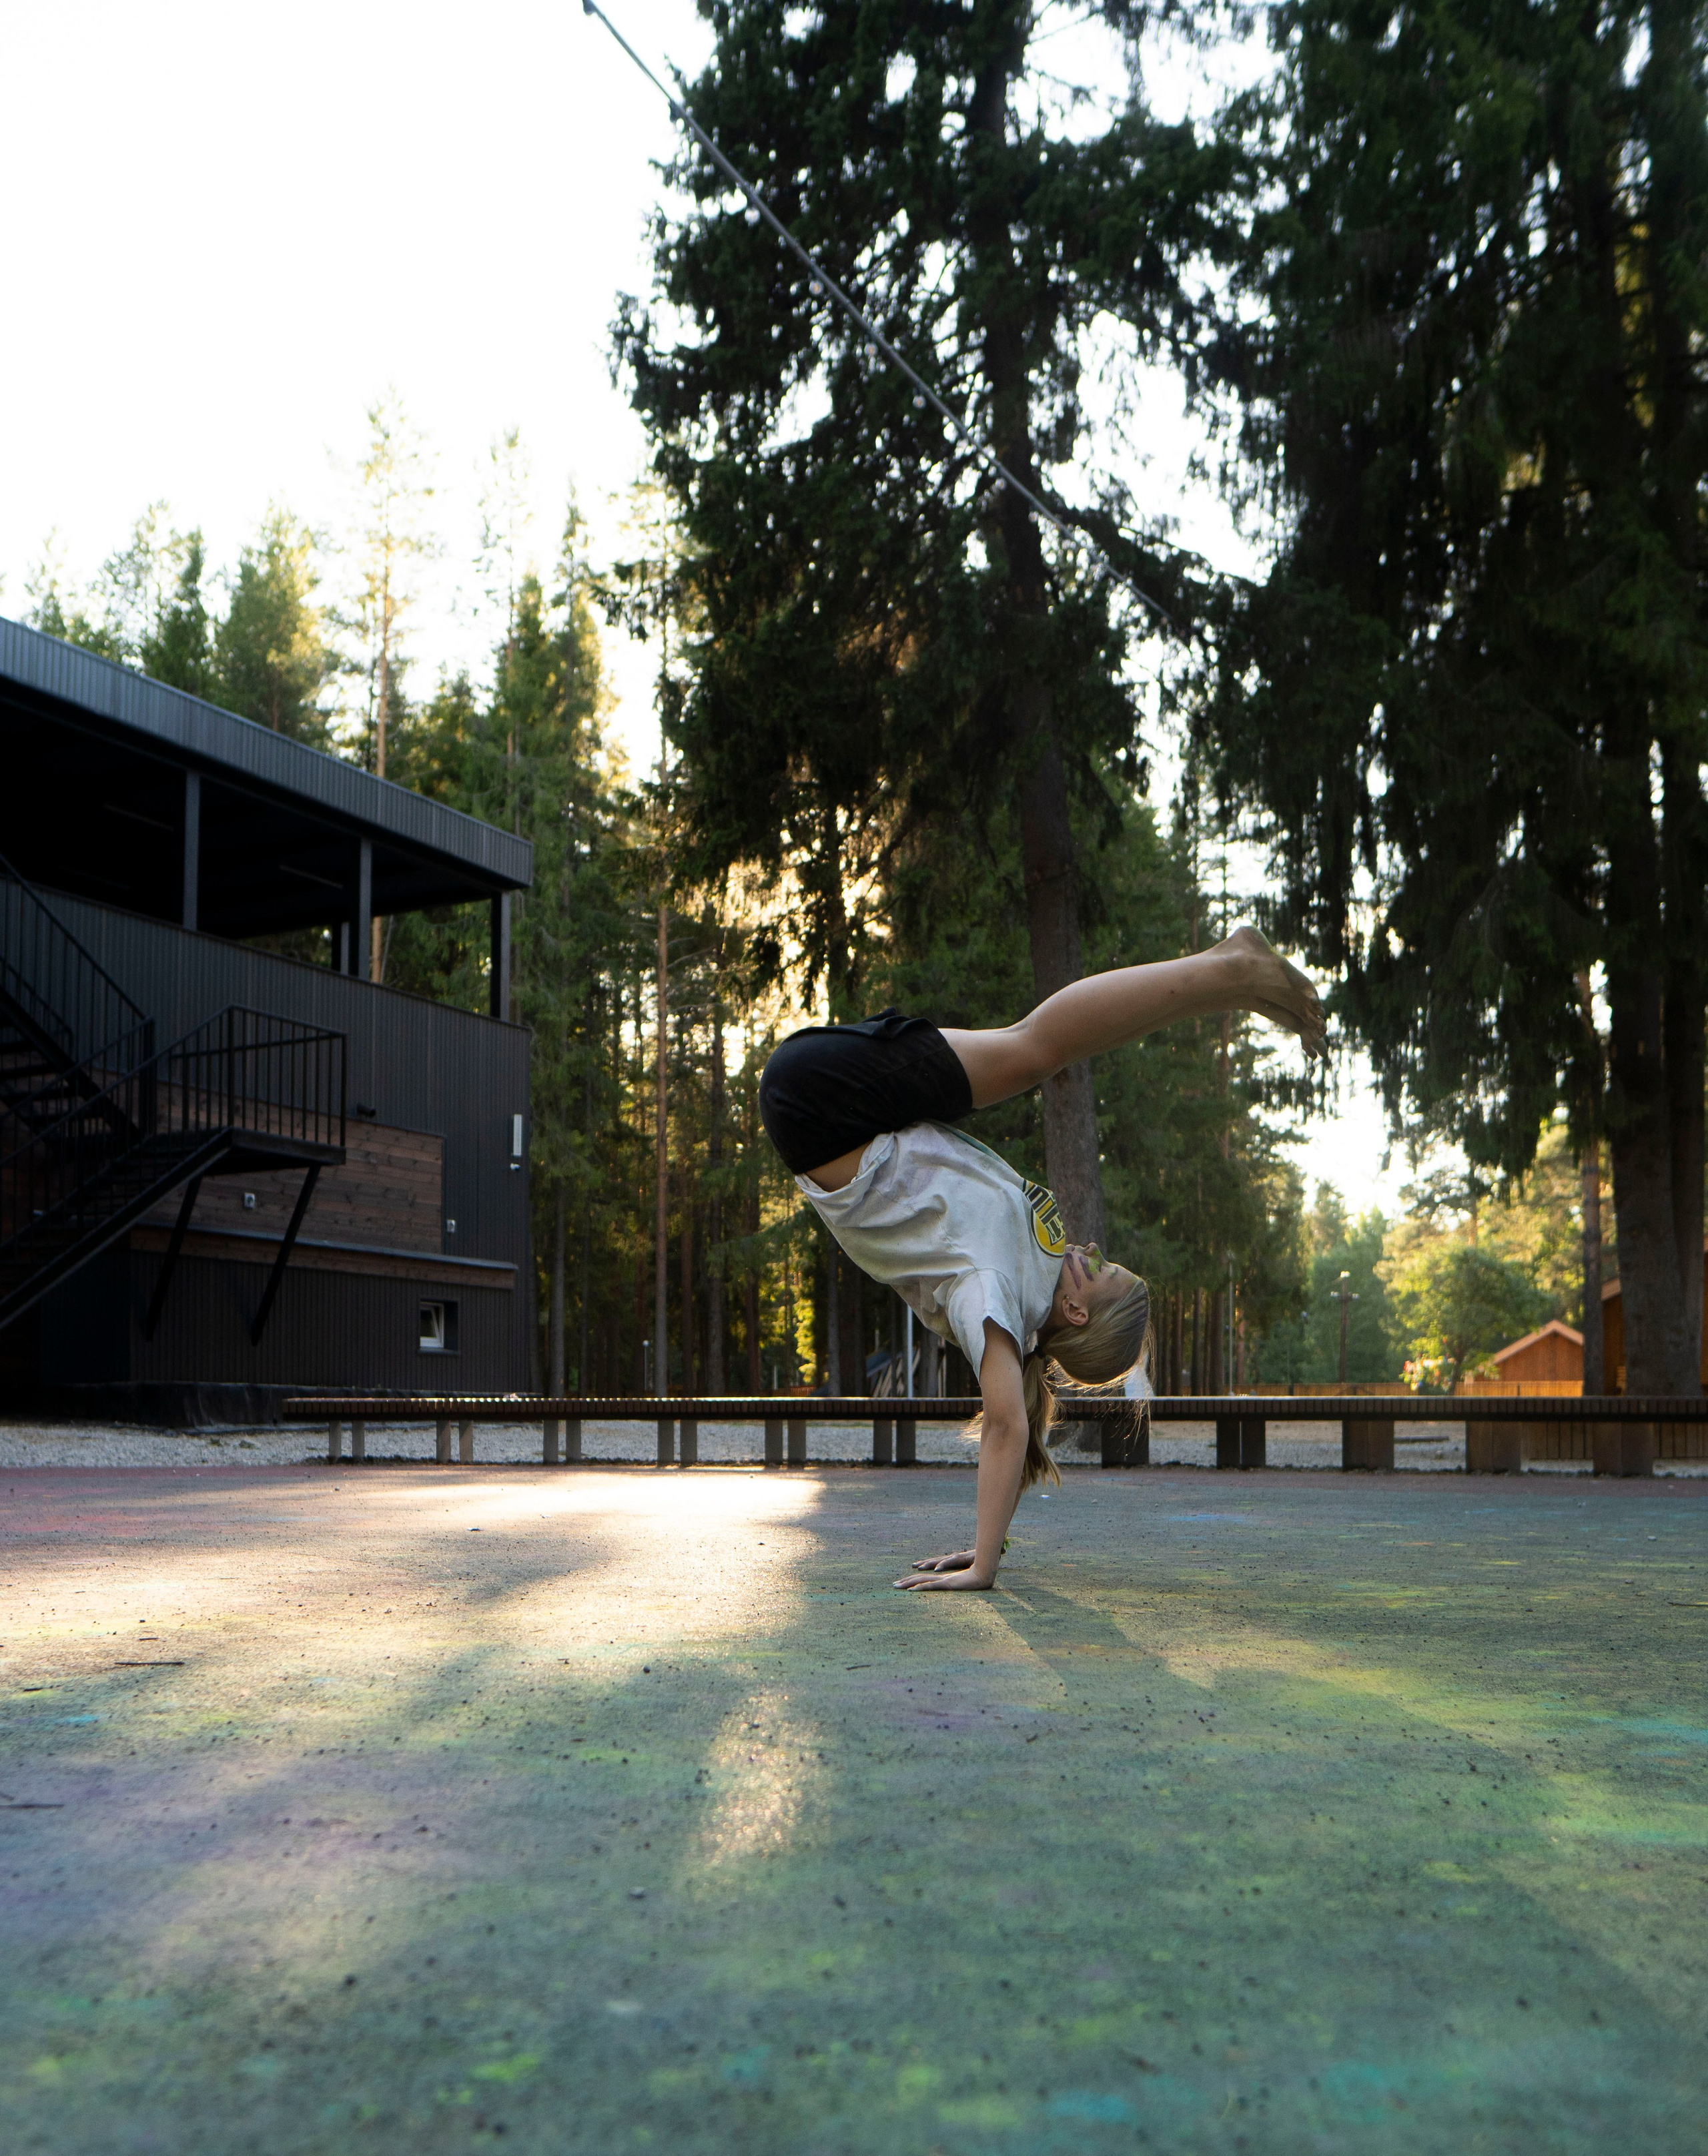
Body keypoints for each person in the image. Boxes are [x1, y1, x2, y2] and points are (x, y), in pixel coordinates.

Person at [757, 926, 1325, 1591]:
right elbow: (1018, 1421)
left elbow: (1008, 1424)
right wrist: (987, 1539)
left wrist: (984, 1563)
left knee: (1035, 1049)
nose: (1094, 1251)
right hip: (852, 1109)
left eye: (1103, 1269)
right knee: (1033, 1048)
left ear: (1077, 1310)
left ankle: (1229, 970)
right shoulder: (1035, 1267)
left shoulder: (993, 1293)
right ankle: (1227, 977)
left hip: (819, 1105)